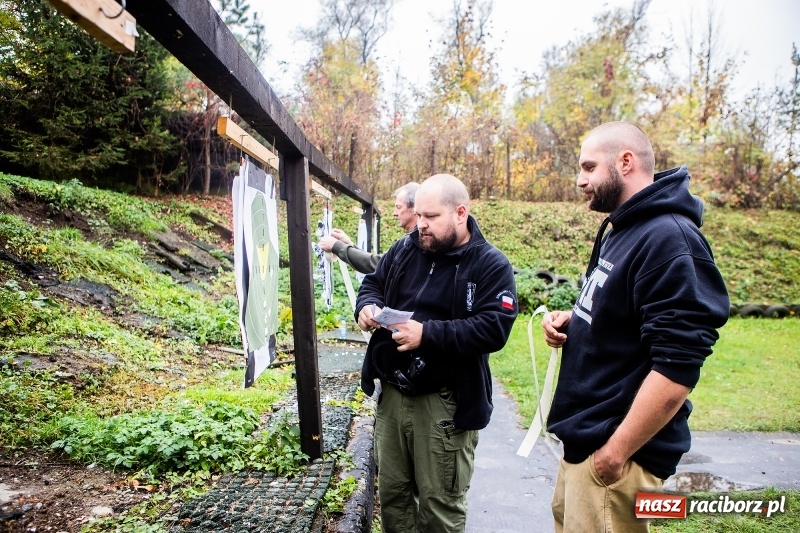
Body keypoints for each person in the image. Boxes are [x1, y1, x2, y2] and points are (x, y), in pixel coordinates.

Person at [541, 122, 729, 533]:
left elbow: (677, 367)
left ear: (625, 162)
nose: (580, 180)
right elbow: (628, 315)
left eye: (589, 167)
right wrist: (577, 320)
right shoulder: (623, 230)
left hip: (614, 460)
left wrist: (615, 453)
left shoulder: (669, 239)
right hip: (586, 444)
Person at [355, 174, 518, 532]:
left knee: (438, 506)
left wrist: (427, 335)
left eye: (431, 217)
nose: (421, 225)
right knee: (394, 498)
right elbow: (373, 284)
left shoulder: (490, 264)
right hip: (393, 397)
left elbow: (494, 327)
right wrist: (367, 307)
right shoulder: (406, 248)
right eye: (419, 215)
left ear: (460, 213)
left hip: (445, 404)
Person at [319, 182, 419, 274]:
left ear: (415, 209)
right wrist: (350, 245)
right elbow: (382, 261)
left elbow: (378, 264)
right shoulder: (411, 239)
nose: (394, 213)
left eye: (398, 207)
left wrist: (336, 246)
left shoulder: (418, 240)